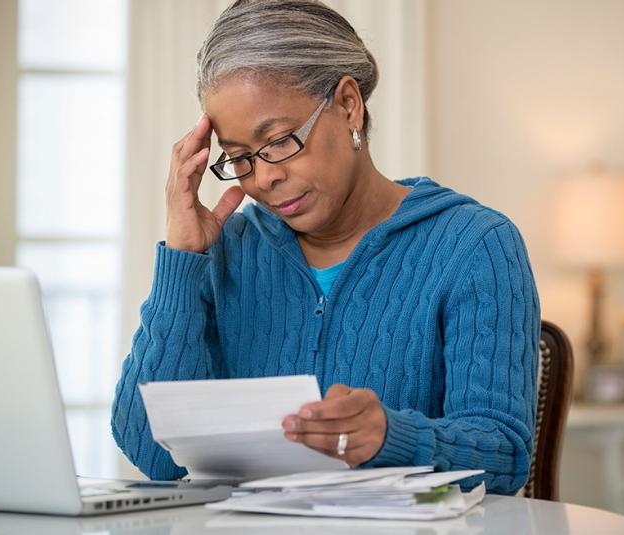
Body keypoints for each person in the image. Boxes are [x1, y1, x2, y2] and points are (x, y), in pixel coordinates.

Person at [111, 0, 540, 495]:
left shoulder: (473, 246)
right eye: (240, 158)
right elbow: (151, 455)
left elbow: (504, 458)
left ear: (349, 104)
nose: (266, 176)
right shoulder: (225, 252)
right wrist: (181, 262)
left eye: (280, 140)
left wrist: (391, 438)